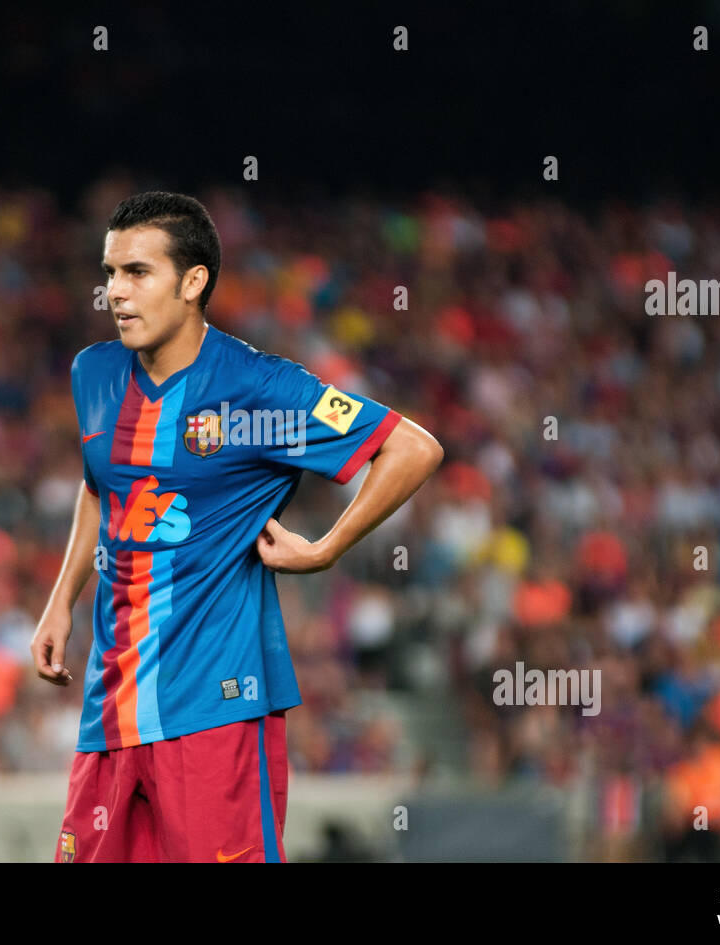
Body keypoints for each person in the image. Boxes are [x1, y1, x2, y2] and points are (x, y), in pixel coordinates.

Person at [32, 191, 443, 862]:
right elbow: (98, 484)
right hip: (110, 705)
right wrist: (59, 604)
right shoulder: (94, 373)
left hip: (215, 705)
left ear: (193, 282)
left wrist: (327, 548)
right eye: (109, 272)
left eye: (138, 272)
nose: (115, 292)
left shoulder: (262, 389)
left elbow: (413, 448)